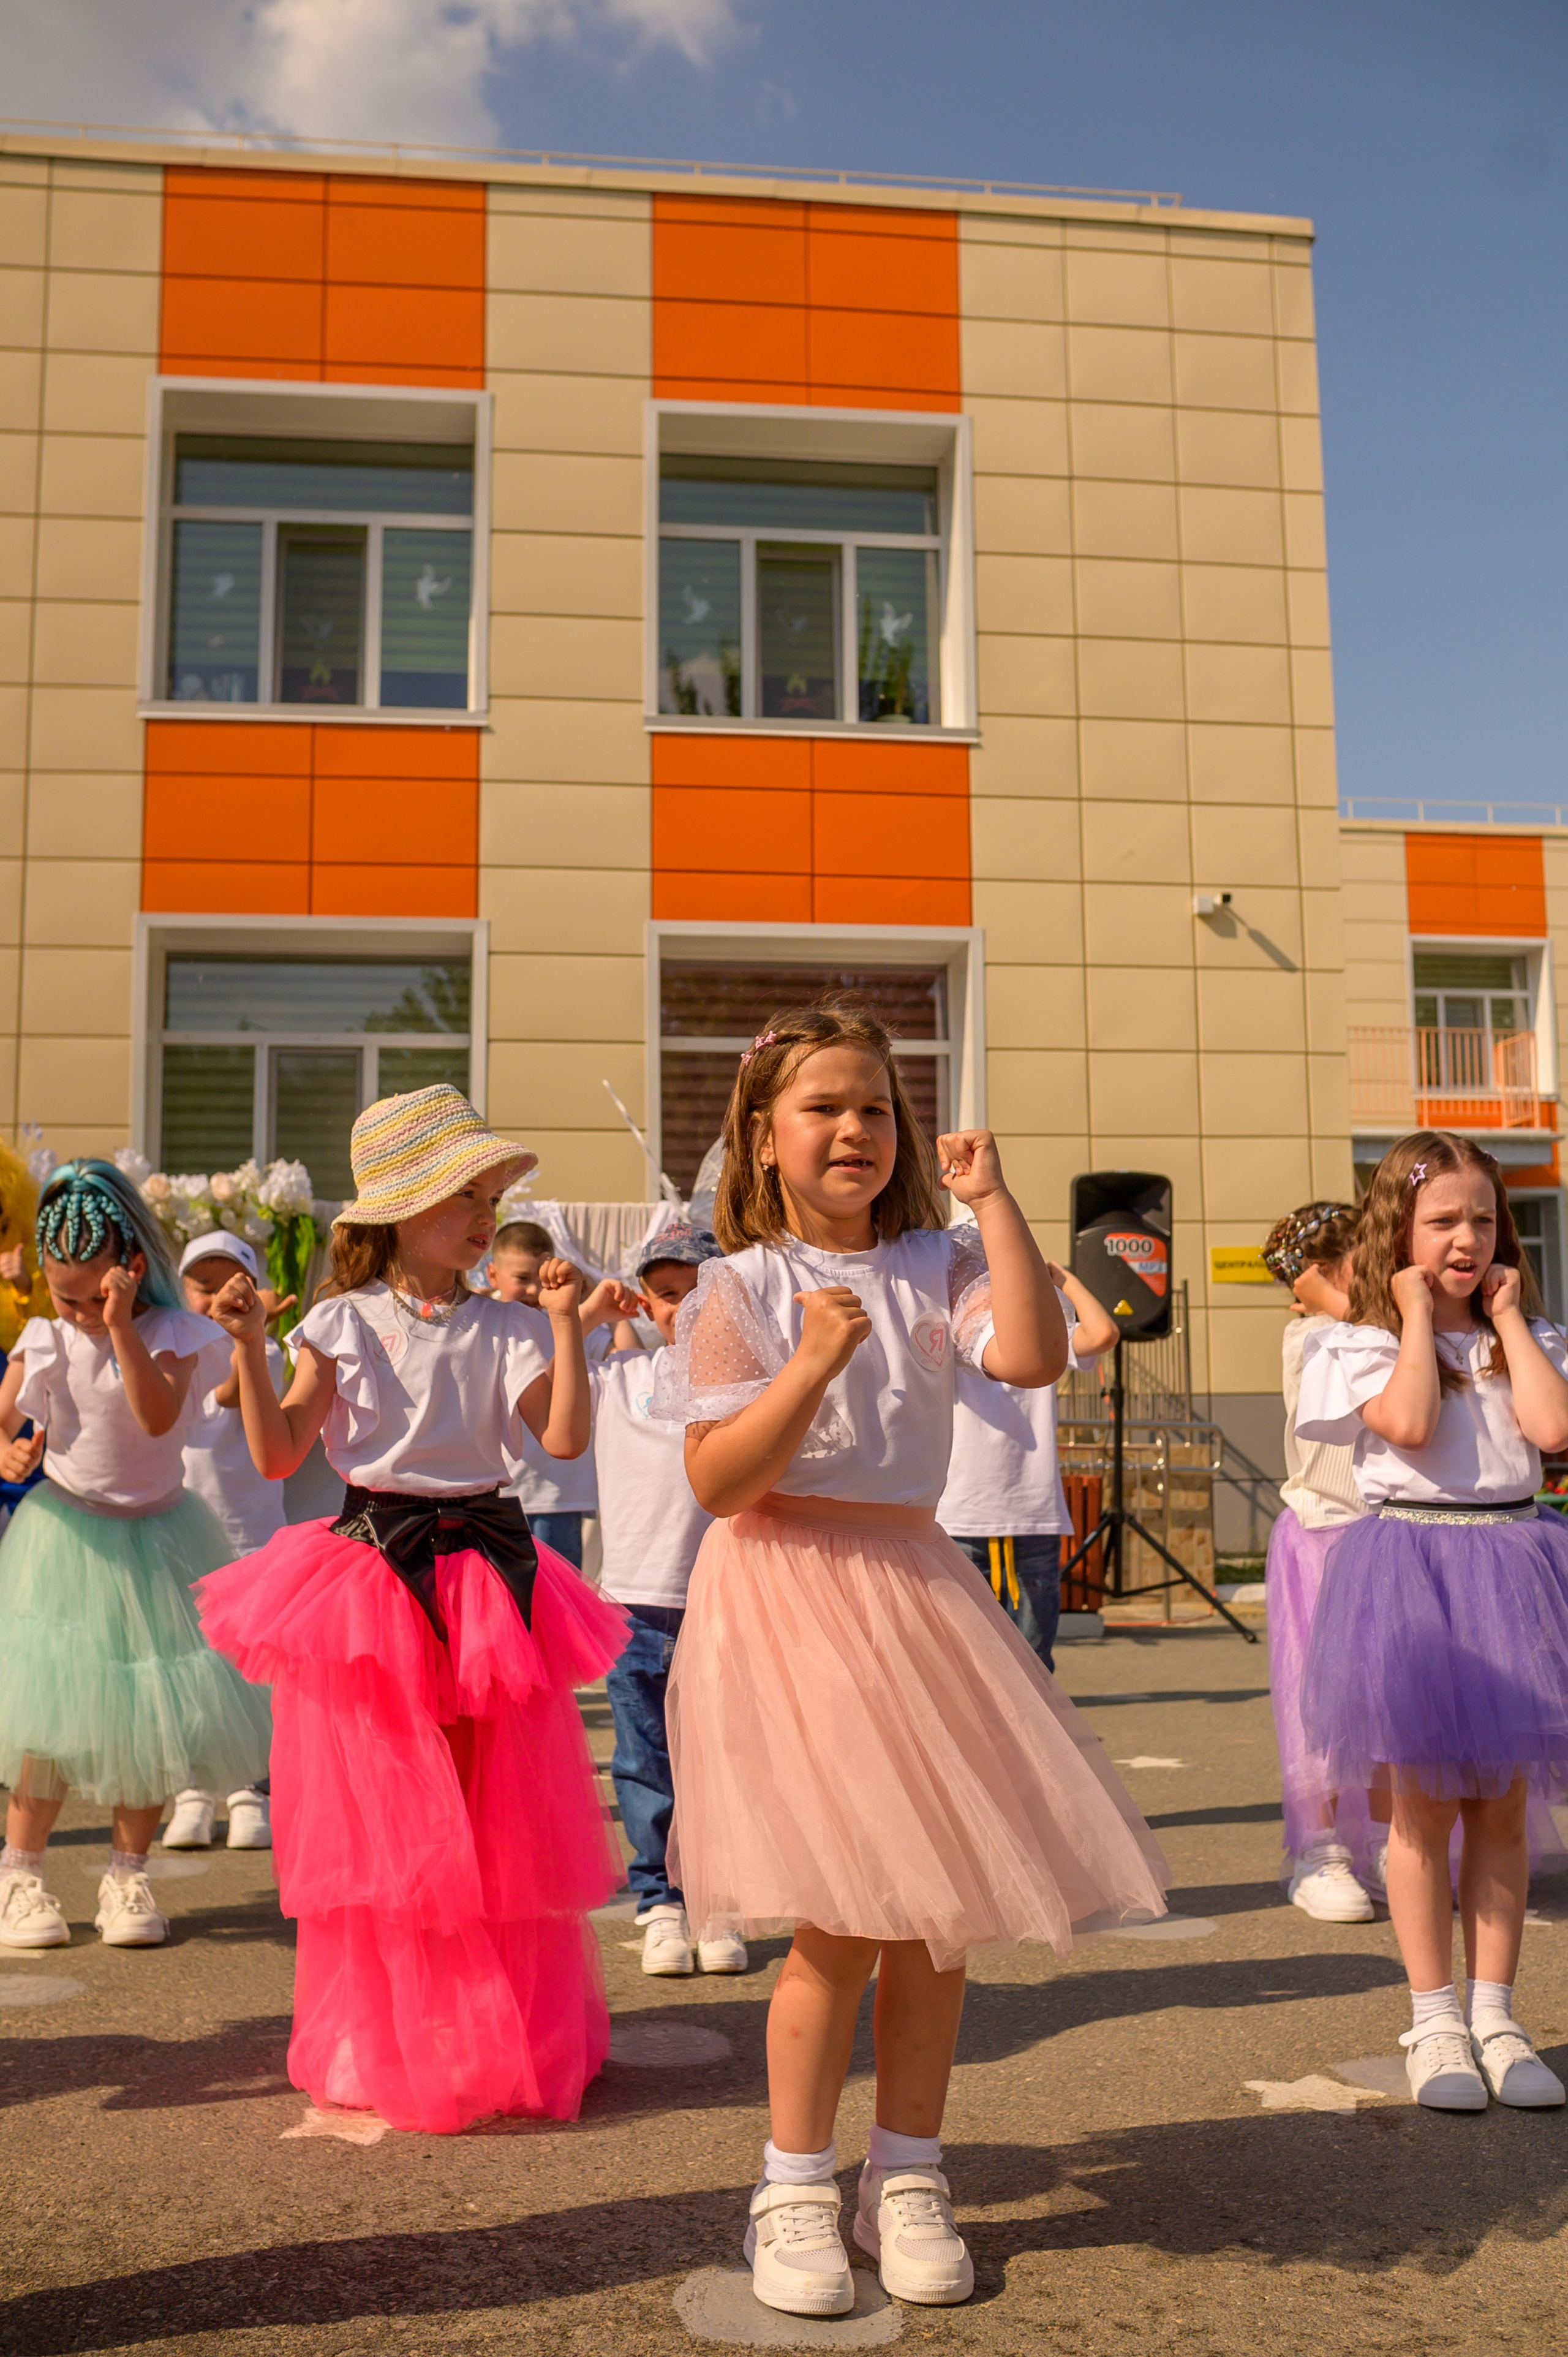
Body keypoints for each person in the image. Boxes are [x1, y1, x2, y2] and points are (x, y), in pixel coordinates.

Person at [654, 1001, 1168, 2317]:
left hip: (913, 1586)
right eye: (822, 1107)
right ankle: (791, 2181)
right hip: (789, 1597)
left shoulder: (937, 1260)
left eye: (875, 1107)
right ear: (762, 1138)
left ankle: (911, 2169)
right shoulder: (736, 1288)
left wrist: (993, 1204)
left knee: (939, 1917)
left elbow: (1033, 1351)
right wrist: (811, 1365)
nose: (853, 1129)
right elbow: (719, 1481)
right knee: (841, 1916)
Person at [196, 1086, 627, 2135]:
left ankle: (504, 2033)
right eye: (461, 1196)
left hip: (488, 1575)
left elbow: (562, 1441)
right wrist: (253, 1348)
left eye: (489, 1195)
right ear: (397, 1207)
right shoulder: (342, 1321)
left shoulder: (506, 1325)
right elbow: (277, 1454)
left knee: (492, 1821)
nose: (485, 1215)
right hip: (372, 1579)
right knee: (389, 1830)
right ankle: (383, 2035)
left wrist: (566, 1328)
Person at [1297, 1129, 1568, 2112]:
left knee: (1501, 1805)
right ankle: (1435, 2016)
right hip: (1412, 1568)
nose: (1467, 1236)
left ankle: (1498, 2012)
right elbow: (1408, 1424)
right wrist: (1415, 1311)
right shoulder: (1362, 1342)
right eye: (1443, 1218)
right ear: (1399, 1229)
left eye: (1484, 1218)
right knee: (1420, 1810)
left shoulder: (1523, 1331)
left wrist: (1510, 1322)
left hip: (1515, 1562)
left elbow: (1550, 1429)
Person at [0, 1162, 270, 1952]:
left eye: (94, 1295)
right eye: (64, 1297)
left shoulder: (175, 1337)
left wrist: (121, 1326)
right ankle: (20, 1874)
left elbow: (156, 1421)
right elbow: (6, 1411)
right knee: (49, 1717)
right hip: (67, 1538)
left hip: (158, 1538)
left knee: (154, 1712)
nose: (79, 1312)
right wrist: (9, 1453)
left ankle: (126, 1873)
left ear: (133, 1270)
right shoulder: (46, 1335)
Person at [590, 1220, 747, 1978]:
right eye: (665, 1294)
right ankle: (660, 1903)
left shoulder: (750, 1382)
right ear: (644, 1303)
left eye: (697, 1293)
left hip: (724, 1597)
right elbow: (530, 1358)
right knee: (644, 1761)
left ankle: (717, 1901)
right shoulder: (618, 1380)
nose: (680, 1309)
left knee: (723, 1759)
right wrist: (588, 1313)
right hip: (632, 1601)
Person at [1259, 1201, 1387, 1922]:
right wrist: (1317, 1289)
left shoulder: (1391, 1328)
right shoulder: (1311, 1335)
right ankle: (1324, 1846)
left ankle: (1393, 1840)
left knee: (1394, 1695)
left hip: (1391, 1532)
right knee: (1324, 1696)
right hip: (1323, 1536)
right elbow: (1349, 1338)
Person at [164, 1231, 290, 1853]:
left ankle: (249, 1788)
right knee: (190, 1668)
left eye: (228, 1282)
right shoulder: (170, 1353)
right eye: (202, 1285)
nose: (214, 1295)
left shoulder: (265, 1350)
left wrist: (246, 1333)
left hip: (254, 1537)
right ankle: (192, 1789)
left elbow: (237, 1394)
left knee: (251, 1672)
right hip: (184, 1535)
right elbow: (199, 1404)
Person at [938, 1255, 1118, 1670]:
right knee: (968, 1661)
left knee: (1034, 1660)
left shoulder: (1043, 1337)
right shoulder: (952, 1335)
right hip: (963, 1516)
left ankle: (1029, 1733)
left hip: (1031, 1514)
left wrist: (1064, 1279)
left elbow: (1103, 1332)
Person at [492, 1220, 600, 1568]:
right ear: (493, 1275)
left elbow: (624, 1353)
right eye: (521, 1279)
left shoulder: (565, 1317)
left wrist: (587, 1312)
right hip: (501, 1491)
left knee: (558, 1598)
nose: (532, 1290)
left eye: (539, 1279)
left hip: (558, 1492)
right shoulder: (485, 1321)